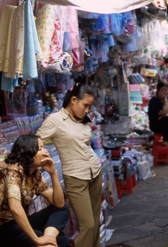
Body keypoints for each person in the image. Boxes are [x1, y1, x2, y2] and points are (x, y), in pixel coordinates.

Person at [36, 83, 102, 247]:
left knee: (95, 220)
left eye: (89, 106)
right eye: (85, 105)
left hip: (94, 171)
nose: (87, 110)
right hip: (75, 177)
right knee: (88, 225)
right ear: (73, 100)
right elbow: (35, 142)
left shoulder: (83, 119)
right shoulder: (55, 120)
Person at [0, 134, 70, 247]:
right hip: (0, 231)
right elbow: (15, 208)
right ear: (28, 152)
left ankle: (49, 240)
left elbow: (59, 203)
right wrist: (37, 240)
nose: (45, 152)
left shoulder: (35, 173)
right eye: (40, 149)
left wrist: (53, 173)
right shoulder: (13, 170)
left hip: (17, 224)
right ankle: (46, 242)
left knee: (63, 210)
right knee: (60, 241)